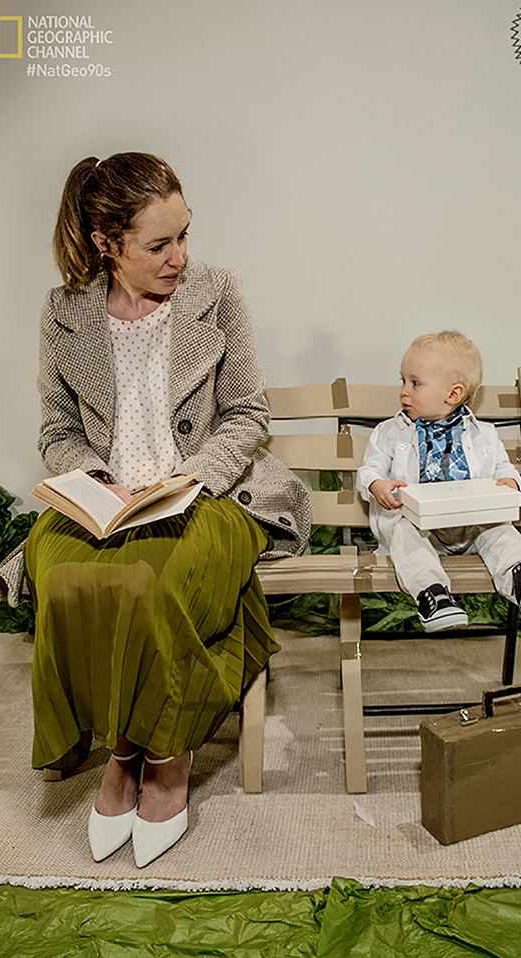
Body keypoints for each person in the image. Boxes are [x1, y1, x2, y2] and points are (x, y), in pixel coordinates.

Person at [22, 152, 310, 868]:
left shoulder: (217, 291)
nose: (179, 256)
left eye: (183, 235)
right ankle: (124, 747)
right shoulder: (64, 311)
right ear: (105, 243)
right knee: (66, 579)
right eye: (158, 245)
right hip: (106, 504)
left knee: (151, 583)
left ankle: (162, 755)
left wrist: (189, 478)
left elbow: (246, 415)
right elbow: (57, 431)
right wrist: (98, 480)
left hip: (211, 495)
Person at [357, 330, 521, 633]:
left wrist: (509, 482)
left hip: (470, 525)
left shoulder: (484, 434)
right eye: (403, 380)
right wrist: (376, 485)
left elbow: (504, 468)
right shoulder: (390, 432)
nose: (404, 391)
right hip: (420, 527)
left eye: (415, 383)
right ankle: (434, 596)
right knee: (403, 530)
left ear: (453, 394)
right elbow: (369, 470)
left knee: (499, 531)